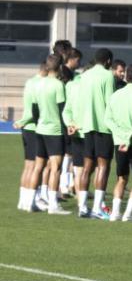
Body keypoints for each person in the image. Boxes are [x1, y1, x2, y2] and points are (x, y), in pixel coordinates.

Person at [25, 54, 70, 214]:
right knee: (55, 168)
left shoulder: (38, 83)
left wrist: (39, 124)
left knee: (38, 167)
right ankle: (53, 205)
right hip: (55, 131)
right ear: (59, 67)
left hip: (40, 130)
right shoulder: (58, 85)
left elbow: (34, 109)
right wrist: (67, 131)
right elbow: (62, 110)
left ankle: (30, 202)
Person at [73, 48, 116, 219]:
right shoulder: (108, 76)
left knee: (87, 167)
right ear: (108, 61)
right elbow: (110, 103)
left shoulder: (84, 76)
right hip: (103, 126)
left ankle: (82, 207)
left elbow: (79, 101)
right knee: (103, 166)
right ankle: (98, 207)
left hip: (87, 127)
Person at [104, 64, 132, 222]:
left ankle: (115, 213)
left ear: (126, 76)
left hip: (119, 142)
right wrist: (129, 137)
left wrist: (121, 135)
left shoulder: (115, 95)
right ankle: (128, 214)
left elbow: (107, 119)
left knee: (121, 177)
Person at [14, 62, 47, 211]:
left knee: (28, 166)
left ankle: (23, 201)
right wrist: (23, 121)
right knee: (35, 167)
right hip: (34, 127)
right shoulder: (41, 84)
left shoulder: (29, 82)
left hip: (27, 129)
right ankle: (29, 202)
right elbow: (34, 110)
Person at [62, 49, 86, 205]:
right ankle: (65, 186)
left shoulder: (72, 75)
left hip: (68, 118)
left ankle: (70, 185)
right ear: (73, 59)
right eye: (78, 60)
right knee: (66, 155)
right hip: (66, 118)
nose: (79, 64)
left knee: (69, 155)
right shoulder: (66, 75)